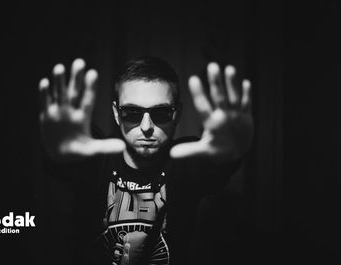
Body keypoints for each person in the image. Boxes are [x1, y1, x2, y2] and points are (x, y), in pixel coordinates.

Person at [39, 56, 253, 265]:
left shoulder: (185, 160)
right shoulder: (96, 159)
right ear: (116, 113)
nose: (146, 126)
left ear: (177, 114)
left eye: (161, 113)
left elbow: (213, 168)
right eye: (132, 112)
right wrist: (56, 155)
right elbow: (64, 166)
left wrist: (229, 154)